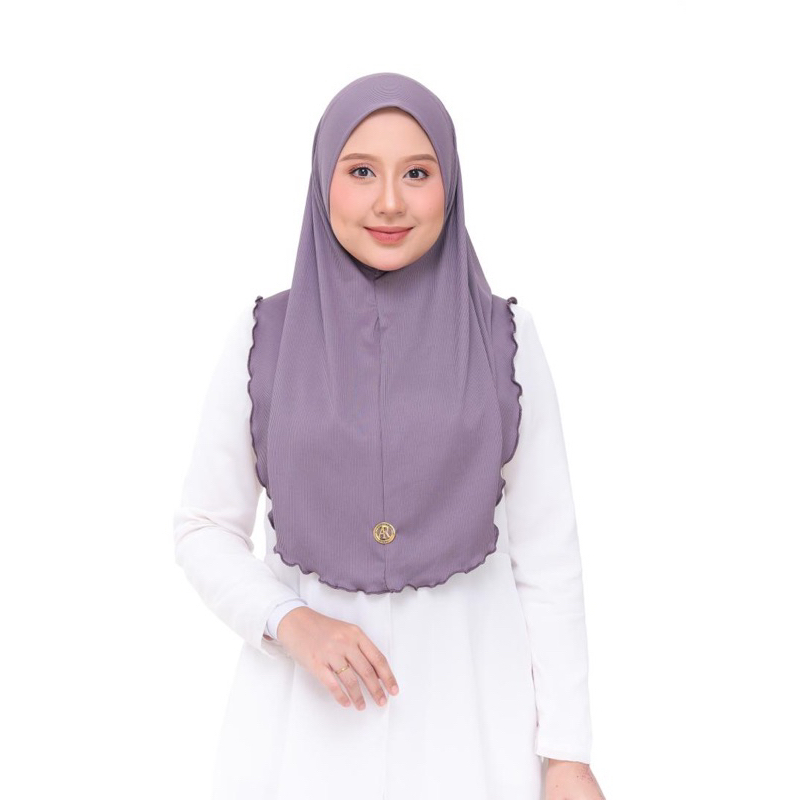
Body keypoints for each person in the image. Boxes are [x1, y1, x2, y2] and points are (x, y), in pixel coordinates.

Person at [173, 72, 606, 800]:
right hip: (300, 732)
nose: (390, 203)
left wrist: (566, 755)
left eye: (417, 173)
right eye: (361, 172)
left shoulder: (505, 339)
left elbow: (548, 556)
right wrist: (290, 621)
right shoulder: (263, 338)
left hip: (472, 725)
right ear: (323, 182)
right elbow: (202, 527)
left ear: (450, 184)